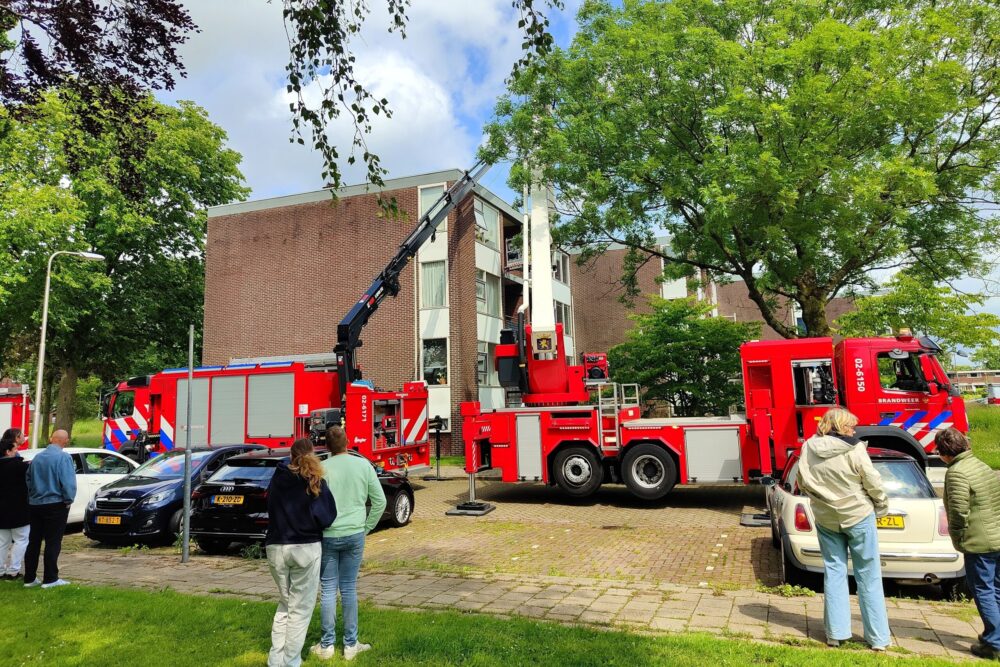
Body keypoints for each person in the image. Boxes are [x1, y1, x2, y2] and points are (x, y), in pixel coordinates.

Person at [796, 408, 891, 651]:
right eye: (850, 426)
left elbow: (802, 481)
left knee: (834, 571)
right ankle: (878, 638)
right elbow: (872, 480)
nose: (853, 430)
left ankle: (835, 634)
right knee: (868, 574)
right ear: (840, 426)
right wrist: (881, 505)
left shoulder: (808, 447)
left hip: (826, 517)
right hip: (858, 514)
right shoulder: (855, 448)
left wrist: (820, 500)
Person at [312, 426, 386, 662]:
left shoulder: (321, 468)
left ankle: (327, 646)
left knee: (328, 589)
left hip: (328, 534)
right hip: (354, 533)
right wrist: (366, 527)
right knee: (349, 588)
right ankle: (351, 645)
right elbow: (380, 501)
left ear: (327, 446)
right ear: (348, 442)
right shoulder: (362, 465)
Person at [265, 438, 337, 667]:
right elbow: (327, 517)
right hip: (306, 547)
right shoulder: (315, 480)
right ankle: (291, 661)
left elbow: (269, 506)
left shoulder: (277, 478)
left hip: (276, 547)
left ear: (290, 454)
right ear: (313, 453)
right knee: (300, 609)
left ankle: (275, 659)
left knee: (285, 605)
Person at [935, 427, 1000, 660]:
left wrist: (958, 536)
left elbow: (958, 511)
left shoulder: (957, 472)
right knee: (996, 589)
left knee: (983, 590)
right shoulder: (980, 465)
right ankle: (996, 635)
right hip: (997, 536)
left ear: (944, 453)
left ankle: (994, 643)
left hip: (979, 541)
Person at [23, 429, 76, 589]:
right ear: (65, 441)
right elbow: (68, 483)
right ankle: (50, 578)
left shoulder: (38, 457)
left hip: (35, 504)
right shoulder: (63, 457)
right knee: (53, 541)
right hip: (55, 503)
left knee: (34, 541)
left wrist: (33, 495)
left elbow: (28, 479)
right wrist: (68, 499)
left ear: (52, 439)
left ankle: (29, 578)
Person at [0, 428, 29, 580]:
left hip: (1, 511)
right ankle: (13, 570)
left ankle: (0, 570)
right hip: (19, 510)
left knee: (2, 542)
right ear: (8, 452)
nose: (17, 451)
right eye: (15, 449)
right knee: (21, 540)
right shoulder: (21, 466)